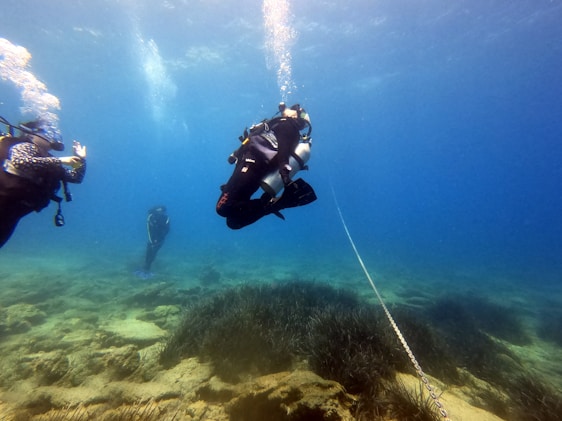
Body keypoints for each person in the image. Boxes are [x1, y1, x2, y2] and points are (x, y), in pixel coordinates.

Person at [216, 103, 317, 229]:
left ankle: (275, 204)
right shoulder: (277, 124)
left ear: (297, 116)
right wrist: (236, 153)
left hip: (252, 166)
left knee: (223, 209)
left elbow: (283, 151)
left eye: (293, 109)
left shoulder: (287, 125)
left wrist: (285, 175)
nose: (286, 108)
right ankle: (270, 204)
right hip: (251, 167)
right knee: (234, 222)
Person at [0, 116, 87, 248]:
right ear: (32, 134)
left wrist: (81, 160)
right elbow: (21, 161)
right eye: (46, 132)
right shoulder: (26, 145)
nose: (52, 136)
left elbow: (75, 178)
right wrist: (61, 160)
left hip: (17, 209)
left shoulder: (49, 160)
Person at [137, 205, 170, 278]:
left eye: (162, 211)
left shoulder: (166, 218)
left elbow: (167, 229)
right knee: (149, 251)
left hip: (160, 239)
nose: (160, 212)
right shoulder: (151, 217)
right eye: (158, 210)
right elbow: (149, 229)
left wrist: (160, 238)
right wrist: (152, 240)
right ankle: (145, 267)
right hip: (152, 238)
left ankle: (147, 268)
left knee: (154, 252)